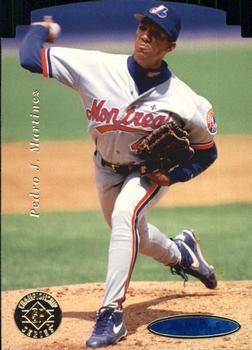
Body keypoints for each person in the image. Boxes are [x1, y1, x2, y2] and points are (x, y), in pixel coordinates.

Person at [19, 1, 218, 347]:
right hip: (105, 168)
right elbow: (29, 58)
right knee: (129, 229)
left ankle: (111, 315)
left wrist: (177, 175)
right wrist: (42, 29)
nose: (146, 37)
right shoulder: (95, 66)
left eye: (157, 35)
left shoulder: (187, 101)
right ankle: (183, 253)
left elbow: (207, 152)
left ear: (170, 47)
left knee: (127, 215)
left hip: (146, 174)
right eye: (143, 28)